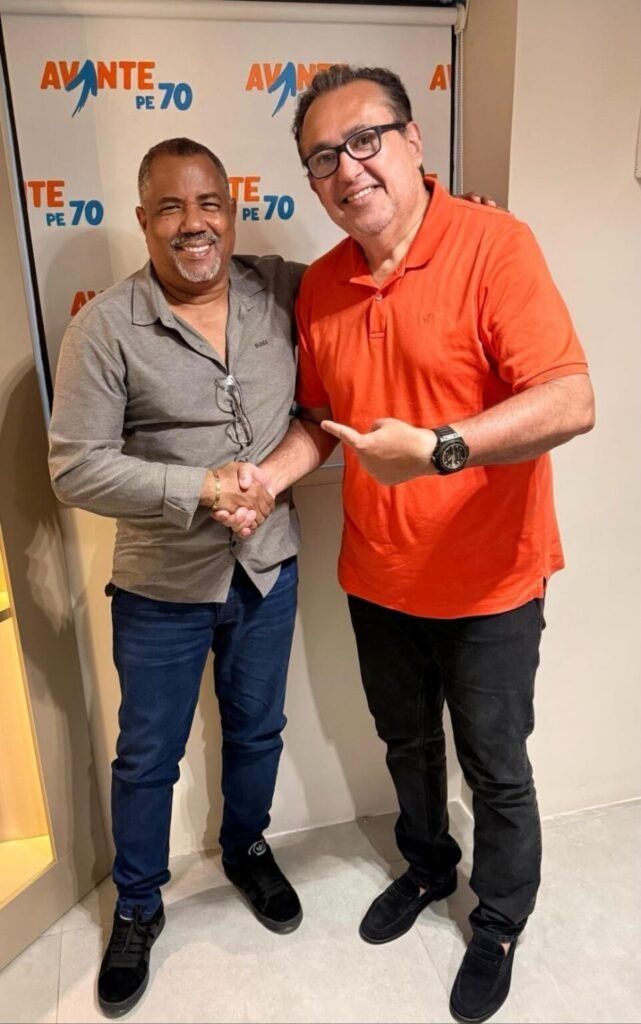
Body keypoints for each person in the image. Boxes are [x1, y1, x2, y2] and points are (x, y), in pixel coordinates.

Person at [216, 65, 595, 1024]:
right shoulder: (323, 285)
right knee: (406, 744)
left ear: (412, 140)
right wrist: (267, 479)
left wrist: (439, 447)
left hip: (492, 582)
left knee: (495, 766)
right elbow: (319, 420)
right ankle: (427, 866)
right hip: (378, 577)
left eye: (364, 140)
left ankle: (499, 919)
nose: (347, 169)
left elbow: (568, 399)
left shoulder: (495, 244)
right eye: (322, 158)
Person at [48, 137, 307, 1018]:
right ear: (143, 219)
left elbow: (377, 274)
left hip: (267, 570)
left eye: (209, 204)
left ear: (232, 212)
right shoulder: (104, 327)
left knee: (259, 731)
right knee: (148, 756)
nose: (193, 224)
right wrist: (199, 488)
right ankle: (138, 903)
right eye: (170, 207)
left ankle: (246, 849)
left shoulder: (280, 289)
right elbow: (75, 468)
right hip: (160, 587)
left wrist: (456, 220)